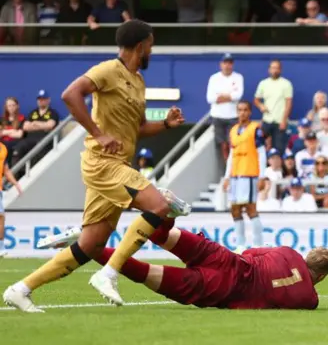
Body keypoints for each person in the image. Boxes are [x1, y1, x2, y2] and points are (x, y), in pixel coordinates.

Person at [2, 20, 189, 312]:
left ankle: (20, 289)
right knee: (159, 206)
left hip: (117, 164)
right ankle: (109, 273)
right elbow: (70, 95)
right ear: (140, 45)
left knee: (91, 245)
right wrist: (98, 133)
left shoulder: (138, 81)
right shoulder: (107, 70)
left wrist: (165, 124)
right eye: (151, 44)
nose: (152, 49)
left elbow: (137, 128)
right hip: (103, 164)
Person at [39, 219, 328, 309]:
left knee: (163, 232)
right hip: (221, 289)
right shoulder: (309, 299)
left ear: (306, 255)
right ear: (320, 277)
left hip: (224, 258)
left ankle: (161, 209)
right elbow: (301, 296)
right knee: (145, 272)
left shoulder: (286, 251)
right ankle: (90, 247)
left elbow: (249, 252)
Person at [223, 101, 267, 253]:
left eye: (245, 110)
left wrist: (262, 176)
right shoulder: (233, 130)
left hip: (249, 174)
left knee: (250, 208)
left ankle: (258, 244)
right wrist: (226, 176)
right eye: (240, 110)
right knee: (234, 209)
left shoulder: (255, 129)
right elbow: (231, 154)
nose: (242, 113)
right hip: (235, 175)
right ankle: (241, 244)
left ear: (250, 112)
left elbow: (261, 153)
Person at [206, 53, 244, 175]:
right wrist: (229, 96)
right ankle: (224, 173)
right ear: (221, 64)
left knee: (234, 144)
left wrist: (221, 96)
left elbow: (238, 96)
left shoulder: (238, 77)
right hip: (217, 117)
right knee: (221, 145)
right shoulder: (214, 78)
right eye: (225, 63)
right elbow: (210, 98)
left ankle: (234, 170)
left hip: (233, 116)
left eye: (229, 63)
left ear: (232, 64)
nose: (227, 65)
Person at [254, 59, 293, 154]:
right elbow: (256, 99)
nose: (275, 70)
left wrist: (284, 120)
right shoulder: (263, 83)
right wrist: (261, 106)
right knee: (261, 148)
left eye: (277, 68)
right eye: (273, 68)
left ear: (280, 70)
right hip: (266, 121)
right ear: (269, 70)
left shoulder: (286, 84)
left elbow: (289, 103)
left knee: (279, 149)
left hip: (280, 122)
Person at [0, 141, 22, 258]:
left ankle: (1, 247)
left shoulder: (3, 148)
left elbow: (6, 170)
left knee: (1, 217)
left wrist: (16, 184)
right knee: (1, 216)